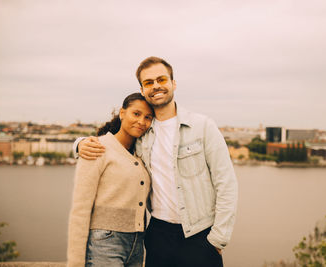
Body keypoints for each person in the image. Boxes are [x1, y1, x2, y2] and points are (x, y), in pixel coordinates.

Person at [76, 57, 238, 267]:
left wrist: (217, 239)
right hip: (158, 237)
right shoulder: (141, 132)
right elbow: (112, 143)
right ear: (142, 89)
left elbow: (226, 183)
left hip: (200, 236)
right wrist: (79, 144)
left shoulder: (202, 127)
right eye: (148, 82)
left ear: (173, 83)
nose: (156, 86)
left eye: (161, 79)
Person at [67, 93, 154, 267]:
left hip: (137, 244)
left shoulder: (142, 153)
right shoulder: (96, 148)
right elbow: (80, 209)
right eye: (136, 114)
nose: (142, 121)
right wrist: (75, 263)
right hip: (105, 243)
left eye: (148, 117)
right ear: (122, 113)